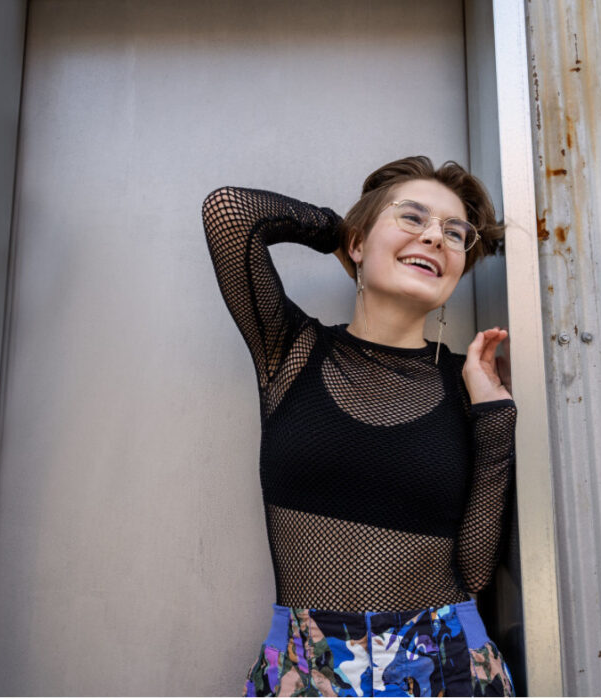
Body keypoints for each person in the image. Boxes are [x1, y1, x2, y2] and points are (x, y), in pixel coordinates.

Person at [202, 156, 517, 697]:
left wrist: (495, 419)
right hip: (308, 670)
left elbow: (474, 571)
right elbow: (231, 213)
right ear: (356, 244)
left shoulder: (465, 386)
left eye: (454, 232)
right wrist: (346, 229)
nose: (435, 237)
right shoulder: (293, 353)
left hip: (447, 668)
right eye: (412, 218)